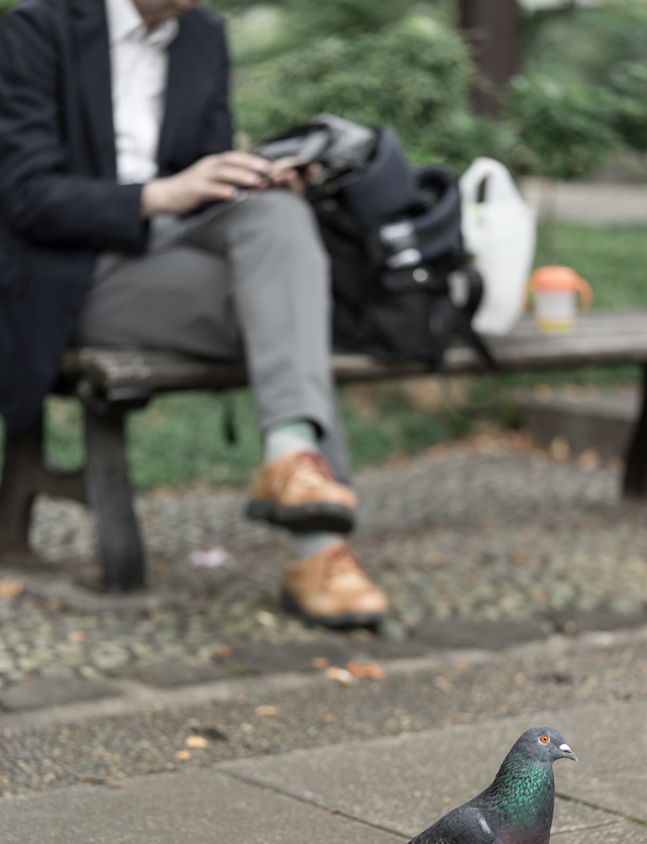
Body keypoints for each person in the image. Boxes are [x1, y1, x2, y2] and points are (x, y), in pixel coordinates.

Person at [0, 0, 388, 628]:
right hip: (77, 275)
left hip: (175, 257)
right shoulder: (37, 29)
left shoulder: (202, 35)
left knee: (280, 216)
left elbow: (209, 177)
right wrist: (163, 193)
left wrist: (254, 180)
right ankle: (318, 553)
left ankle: (292, 455)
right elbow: (25, 195)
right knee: (287, 313)